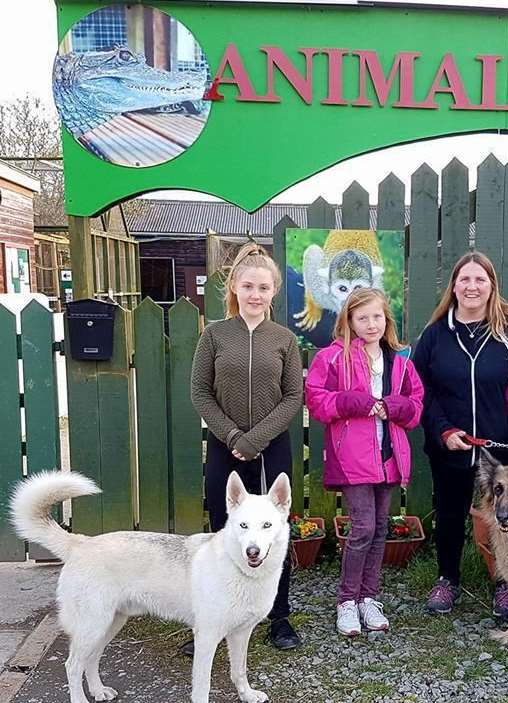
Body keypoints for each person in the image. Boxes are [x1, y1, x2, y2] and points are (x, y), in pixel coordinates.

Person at [413, 252, 508, 618]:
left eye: (479, 280)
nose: (472, 286)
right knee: (451, 513)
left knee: (504, 516)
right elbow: (420, 390)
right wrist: (442, 430)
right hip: (451, 445)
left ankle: (505, 583)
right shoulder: (435, 335)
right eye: (464, 279)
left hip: (501, 451)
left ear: (491, 286)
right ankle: (447, 579)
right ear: (453, 286)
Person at [190, 242, 304, 651]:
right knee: (225, 526)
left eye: (264, 288)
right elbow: (201, 393)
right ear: (234, 288)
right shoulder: (214, 336)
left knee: (274, 528)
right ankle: (213, 618)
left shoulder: (284, 339)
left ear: (274, 292)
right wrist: (234, 437)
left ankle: (279, 617)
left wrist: (257, 438)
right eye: (248, 286)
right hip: (225, 444)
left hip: (273, 446)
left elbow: (293, 396)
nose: (255, 295)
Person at [305, 288, 424, 637]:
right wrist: (353, 402)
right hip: (352, 458)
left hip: (390, 457)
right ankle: (346, 601)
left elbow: (415, 405)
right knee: (362, 529)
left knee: (380, 530)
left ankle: (369, 598)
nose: (371, 324)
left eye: (377, 317)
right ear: (349, 322)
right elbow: (317, 399)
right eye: (362, 318)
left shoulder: (401, 361)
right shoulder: (332, 358)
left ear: (386, 319)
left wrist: (395, 407)